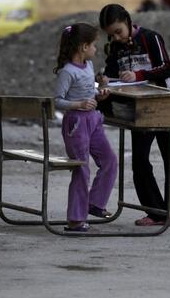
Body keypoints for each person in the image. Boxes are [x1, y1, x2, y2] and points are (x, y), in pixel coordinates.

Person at [98, 3, 170, 226]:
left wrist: (139, 74)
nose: (116, 37)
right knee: (139, 161)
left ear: (127, 21)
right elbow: (109, 72)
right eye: (111, 35)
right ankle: (155, 211)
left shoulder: (150, 38)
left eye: (118, 31)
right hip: (137, 109)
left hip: (164, 105)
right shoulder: (114, 47)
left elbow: (166, 67)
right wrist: (105, 79)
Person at [53, 23, 118, 233]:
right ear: (83, 47)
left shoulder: (88, 66)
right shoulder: (67, 72)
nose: (96, 49)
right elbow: (57, 101)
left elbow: (90, 91)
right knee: (81, 169)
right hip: (76, 123)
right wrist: (78, 105)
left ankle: (95, 204)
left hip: (94, 120)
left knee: (109, 160)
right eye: (93, 45)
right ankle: (75, 220)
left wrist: (100, 92)